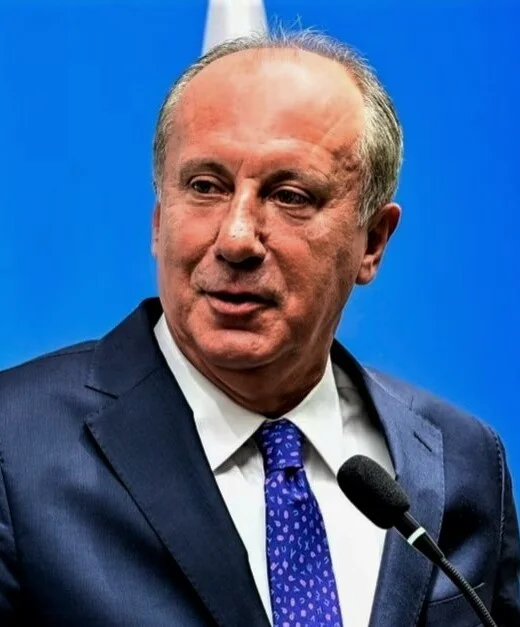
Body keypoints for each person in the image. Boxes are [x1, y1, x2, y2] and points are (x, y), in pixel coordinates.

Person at [0, 29, 518, 627]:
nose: (237, 237)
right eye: (205, 187)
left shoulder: (462, 459)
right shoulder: (14, 446)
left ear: (373, 241)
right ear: (159, 220)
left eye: (290, 195)